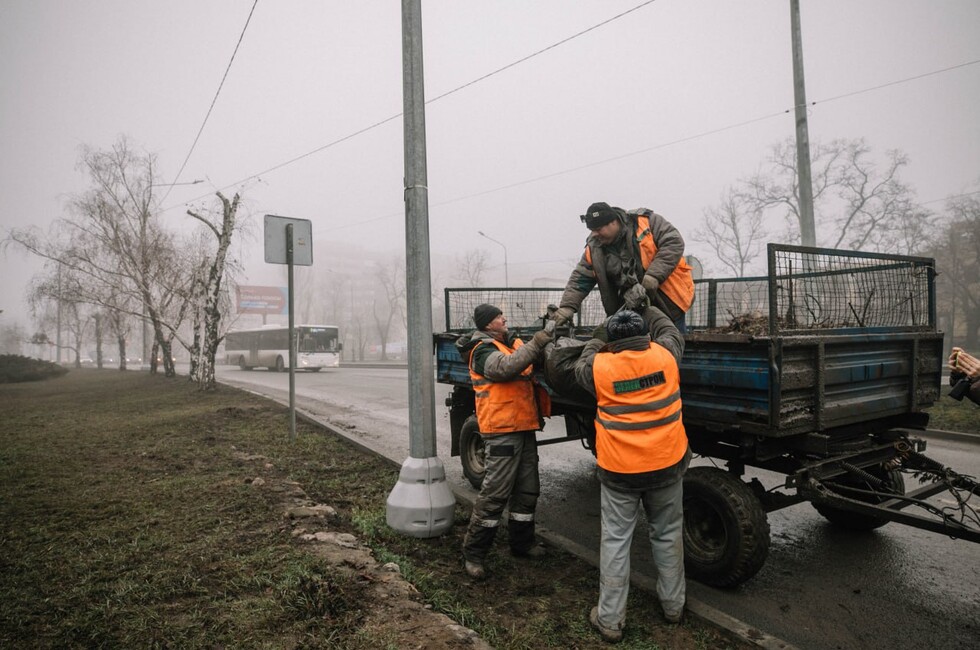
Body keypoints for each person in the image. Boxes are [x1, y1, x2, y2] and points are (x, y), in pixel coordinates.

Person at [573, 308, 690, 641]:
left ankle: (609, 619)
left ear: (613, 342)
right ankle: (673, 607)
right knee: (667, 535)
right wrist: (648, 306)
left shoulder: (599, 368)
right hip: (667, 464)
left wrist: (598, 337)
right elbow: (670, 330)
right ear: (647, 337)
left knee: (615, 541)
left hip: (620, 471)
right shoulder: (667, 355)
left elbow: (582, 361)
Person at [456, 303, 554, 579]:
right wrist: (538, 341)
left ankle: (522, 544)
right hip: (501, 430)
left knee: (528, 488)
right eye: (500, 317)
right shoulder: (482, 351)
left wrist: (540, 334)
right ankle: (474, 553)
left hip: (523, 427)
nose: (505, 319)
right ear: (488, 324)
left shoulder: (505, 343)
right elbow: (505, 369)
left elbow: (523, 353)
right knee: (495, 493)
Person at [553, 202, 695, 332]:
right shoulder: (595, 248)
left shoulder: (647, 223)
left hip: (668, 303)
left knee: (671, 347)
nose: (594, 234)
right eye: (591, 230)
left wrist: (654, 276)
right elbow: (581, 278)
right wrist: (567, 307)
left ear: (613, 222)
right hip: (629, 313)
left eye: (598, 229)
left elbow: (673, 242)